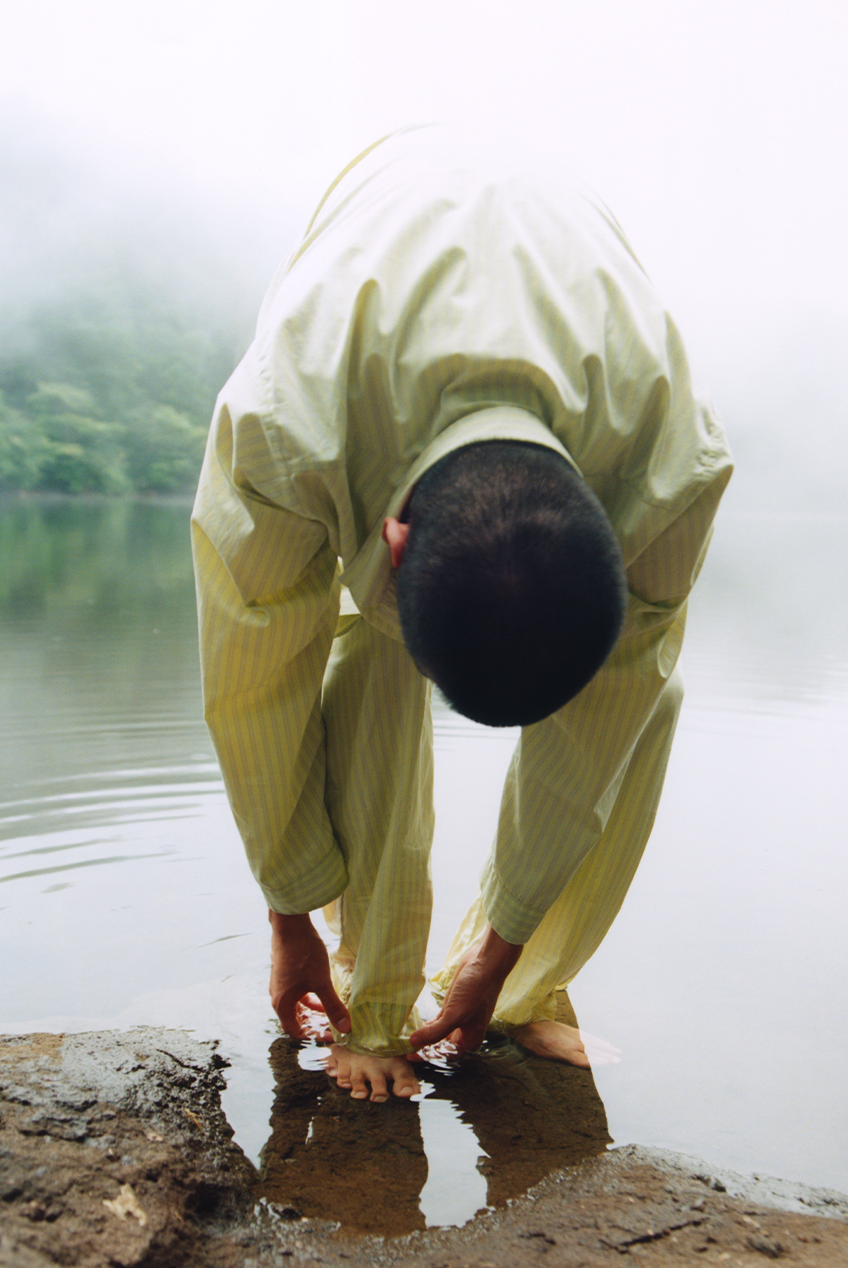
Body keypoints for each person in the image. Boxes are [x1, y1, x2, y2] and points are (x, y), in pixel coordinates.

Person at [191, 125, 732, 1103]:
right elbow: (254, 682)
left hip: (561, 272)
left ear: (616, 528)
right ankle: (376, 1002)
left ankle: (519, 991)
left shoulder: (666, 462)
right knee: (369, 652)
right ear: (392, 540)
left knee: (646, 689)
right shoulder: (284, 423)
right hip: (380, 252)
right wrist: (289, 919)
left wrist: (504, 947)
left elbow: (610, 701)